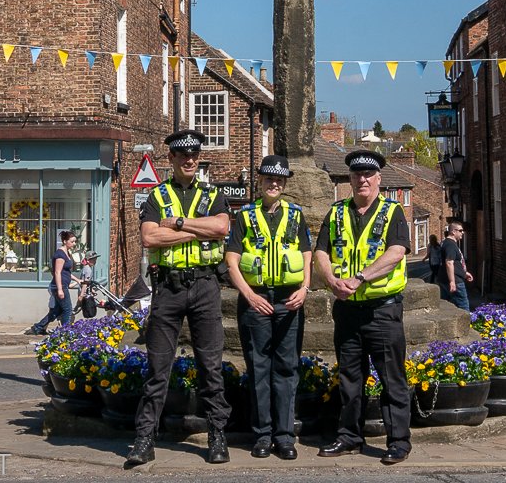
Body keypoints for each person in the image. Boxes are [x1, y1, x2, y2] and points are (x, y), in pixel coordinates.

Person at [125, 129, 232, 469]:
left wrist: (179, 224)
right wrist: (194, 229)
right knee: (158, 368)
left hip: (204, 286)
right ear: (170, 159)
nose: (190, 160)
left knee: (210, 366)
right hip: (167, 289)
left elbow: (221, 229)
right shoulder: (158, 195)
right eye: (183, 155)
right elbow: (148, 237)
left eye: (195, 155)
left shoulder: (212, 193)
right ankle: (144, 439)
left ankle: (217, 436)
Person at [314, 149, 412, 466]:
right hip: (347, 310)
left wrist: (359, 278)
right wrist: (331, 280)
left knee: (391, 379)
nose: (362, 180)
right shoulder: (337, 211)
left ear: (378, 179)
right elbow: (321, 252)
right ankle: (349, 437)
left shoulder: (393, 211)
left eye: (368, 175)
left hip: (382, 309)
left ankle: (398, 442)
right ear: (350, 180)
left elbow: (397, 252)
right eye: (357, 175)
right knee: (349, 380)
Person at [225, 155, 311, 461]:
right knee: (259, 369)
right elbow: (232, 259)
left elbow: (306, 252)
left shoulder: (296, 214)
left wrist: (305, 288)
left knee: (287, 369)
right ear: (260, 182)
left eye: (279, 180)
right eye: (268, 179)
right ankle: (262, 435)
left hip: (289, 299)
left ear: (284, 184)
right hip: (256, 299)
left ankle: (285, 437)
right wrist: (249, 295)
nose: (273, 184)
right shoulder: (245, 215)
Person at [24, 230, 78, 335]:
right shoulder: (60, 254)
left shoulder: (67, 253)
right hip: (59, 286)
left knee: (56, 311)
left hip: (63, 285)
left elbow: (65, 272)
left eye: (75, 241)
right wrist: (60, 289)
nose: (74, 244)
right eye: (72, 241)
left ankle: (38, 328)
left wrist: (77, 280)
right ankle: (65, 333)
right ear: (65, 241)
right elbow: (57, 272)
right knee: (67, 310)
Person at [438, 221, 473, 311]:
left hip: (450, 279)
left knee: (448, 308)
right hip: (455, 282)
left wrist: (464, 273)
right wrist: (452, 282)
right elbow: (449, 262)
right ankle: (465, 325)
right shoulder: (450, 244)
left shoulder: (448, 243)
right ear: (454, 231)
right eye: (460, 230)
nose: (463, 232)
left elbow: (456, 263)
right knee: (464, 308)